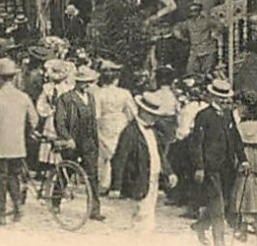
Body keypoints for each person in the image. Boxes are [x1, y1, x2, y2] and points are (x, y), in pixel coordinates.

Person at [0, 57, 38, 225]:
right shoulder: (24, 97)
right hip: (18, 147)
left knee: (0, 179)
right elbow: (34, 120)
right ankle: (18, 208)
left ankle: (0, 214)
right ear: (14, 76)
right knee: (13, 177)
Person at [189, 79, 243, 246]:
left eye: (226, 98)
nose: (224, 101)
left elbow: (236, 138)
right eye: (220, 97)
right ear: (213, 96)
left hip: (228, 166)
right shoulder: (203, 116)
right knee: (217, 203)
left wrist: (243, 159)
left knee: (224, 202)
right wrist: (199, 167)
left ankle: (200, 225)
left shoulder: (228, 116)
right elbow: (196, 143)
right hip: (210, 166)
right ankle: (219, 243)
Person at [110, 93, 172, 232]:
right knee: (140, 214)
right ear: (143, 112)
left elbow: (159, 154)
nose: (155, 118)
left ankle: (145, 241)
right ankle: (138, 242)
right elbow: (119, 159)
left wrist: (169, 172)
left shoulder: (155, 131)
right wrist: (116, 186)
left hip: (153, 178)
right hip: (138, 177)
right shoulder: (130, 132)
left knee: (149, 213)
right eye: (151, 114)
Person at [53, 65, 106, 221]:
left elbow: (93, 122)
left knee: (92, 175)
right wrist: (67, 138)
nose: (87, 85)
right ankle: (55, 201)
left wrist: (96, 142)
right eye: (84, 82)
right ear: (77, 82)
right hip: (72, 142)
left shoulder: (90, 98)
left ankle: (94, 210)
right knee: (66, 172)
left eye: (89, 82)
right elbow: (59, 122)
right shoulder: (65, 98)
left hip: (88, 142)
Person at [93, 64, 134, 192]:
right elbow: (132, 111)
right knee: (119, 150)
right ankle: (117, 183)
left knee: (105, 153)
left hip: (105, 122)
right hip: (121, 121)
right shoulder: (124, 93)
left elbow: (96, 113)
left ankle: (104, 183)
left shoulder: (98, 93)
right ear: (116, 80)